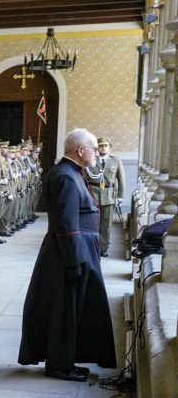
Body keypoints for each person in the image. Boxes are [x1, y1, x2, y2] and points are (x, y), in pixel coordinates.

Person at [18, 128, 116, 380]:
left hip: (77, 248)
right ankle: (60, 365)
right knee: (64, 311)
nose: (97, 153)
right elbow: (67, 222)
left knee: (73, 308)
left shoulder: (71, 172)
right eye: (93, 148)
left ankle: (66, 360)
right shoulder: (65, 176)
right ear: (80, 150)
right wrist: (75, 262)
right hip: (69, 253)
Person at [85, 137, 125, 257]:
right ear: (97, 148)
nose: (103, 148)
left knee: (106, 224)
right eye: (101, 146)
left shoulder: (116, 160)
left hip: (109, 195)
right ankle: (92, 246)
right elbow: (84, 178)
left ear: (109, 147)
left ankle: (103, 247)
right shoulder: (91, 159)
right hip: (93, 194)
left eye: (105, 146)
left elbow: (121, 179)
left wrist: (120, 196)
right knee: (92, 222)